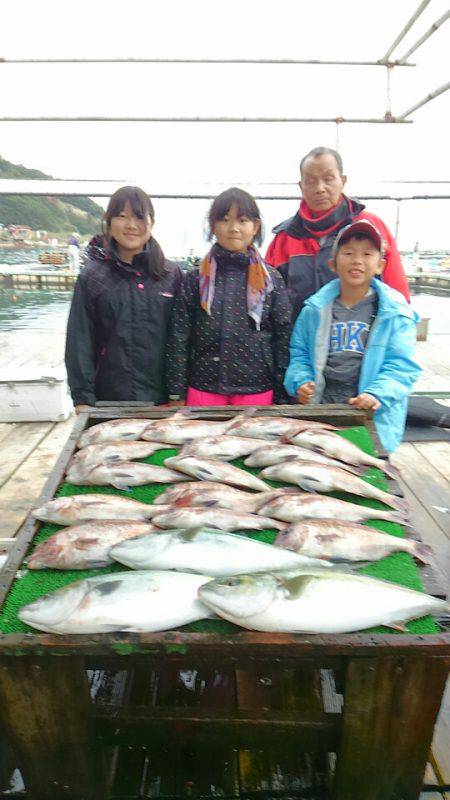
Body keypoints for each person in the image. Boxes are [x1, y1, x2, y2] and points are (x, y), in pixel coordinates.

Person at [284, 219, 421, 452]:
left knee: (367, 469)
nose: (357, 260)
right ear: (332, 264)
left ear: (380, 265)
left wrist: (376, 394)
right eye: (347, 253)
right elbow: (299, 354)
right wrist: (301, 382)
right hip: (323, 413)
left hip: (370, 417)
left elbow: (402, 367)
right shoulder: (313, 311)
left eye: (367, 254)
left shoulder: (396, 314)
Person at [166, 187, 291, 406]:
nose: (233, 228)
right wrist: (176, 391)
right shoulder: (195, 279)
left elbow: (283, 336)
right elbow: (179, 337)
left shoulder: (271, 280)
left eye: (242, 220)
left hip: (257, 387)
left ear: (256, 227)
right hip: (204, 386)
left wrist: (282, 394)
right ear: (213, 226)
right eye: (224, 220)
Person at [65, 186, 182, 412]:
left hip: (164, 400)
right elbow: (79, 342)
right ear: (108, 221)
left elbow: (182, 339)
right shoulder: (92, 276)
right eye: (121, 216)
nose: (131, 225)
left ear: (151, 222)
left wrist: (180, 393)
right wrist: (83, 399)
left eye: (139, 216)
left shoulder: (172, 275)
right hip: (109, 399)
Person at [266, 146, 410, 320]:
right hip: (301, 343)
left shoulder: (372, 227)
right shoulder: (284, 239)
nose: (320, 188)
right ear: (301, 186)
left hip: (367, 343)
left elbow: (399, 299)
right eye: (310, 181)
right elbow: (270, 302)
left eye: (328, 179)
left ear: (342, 181)